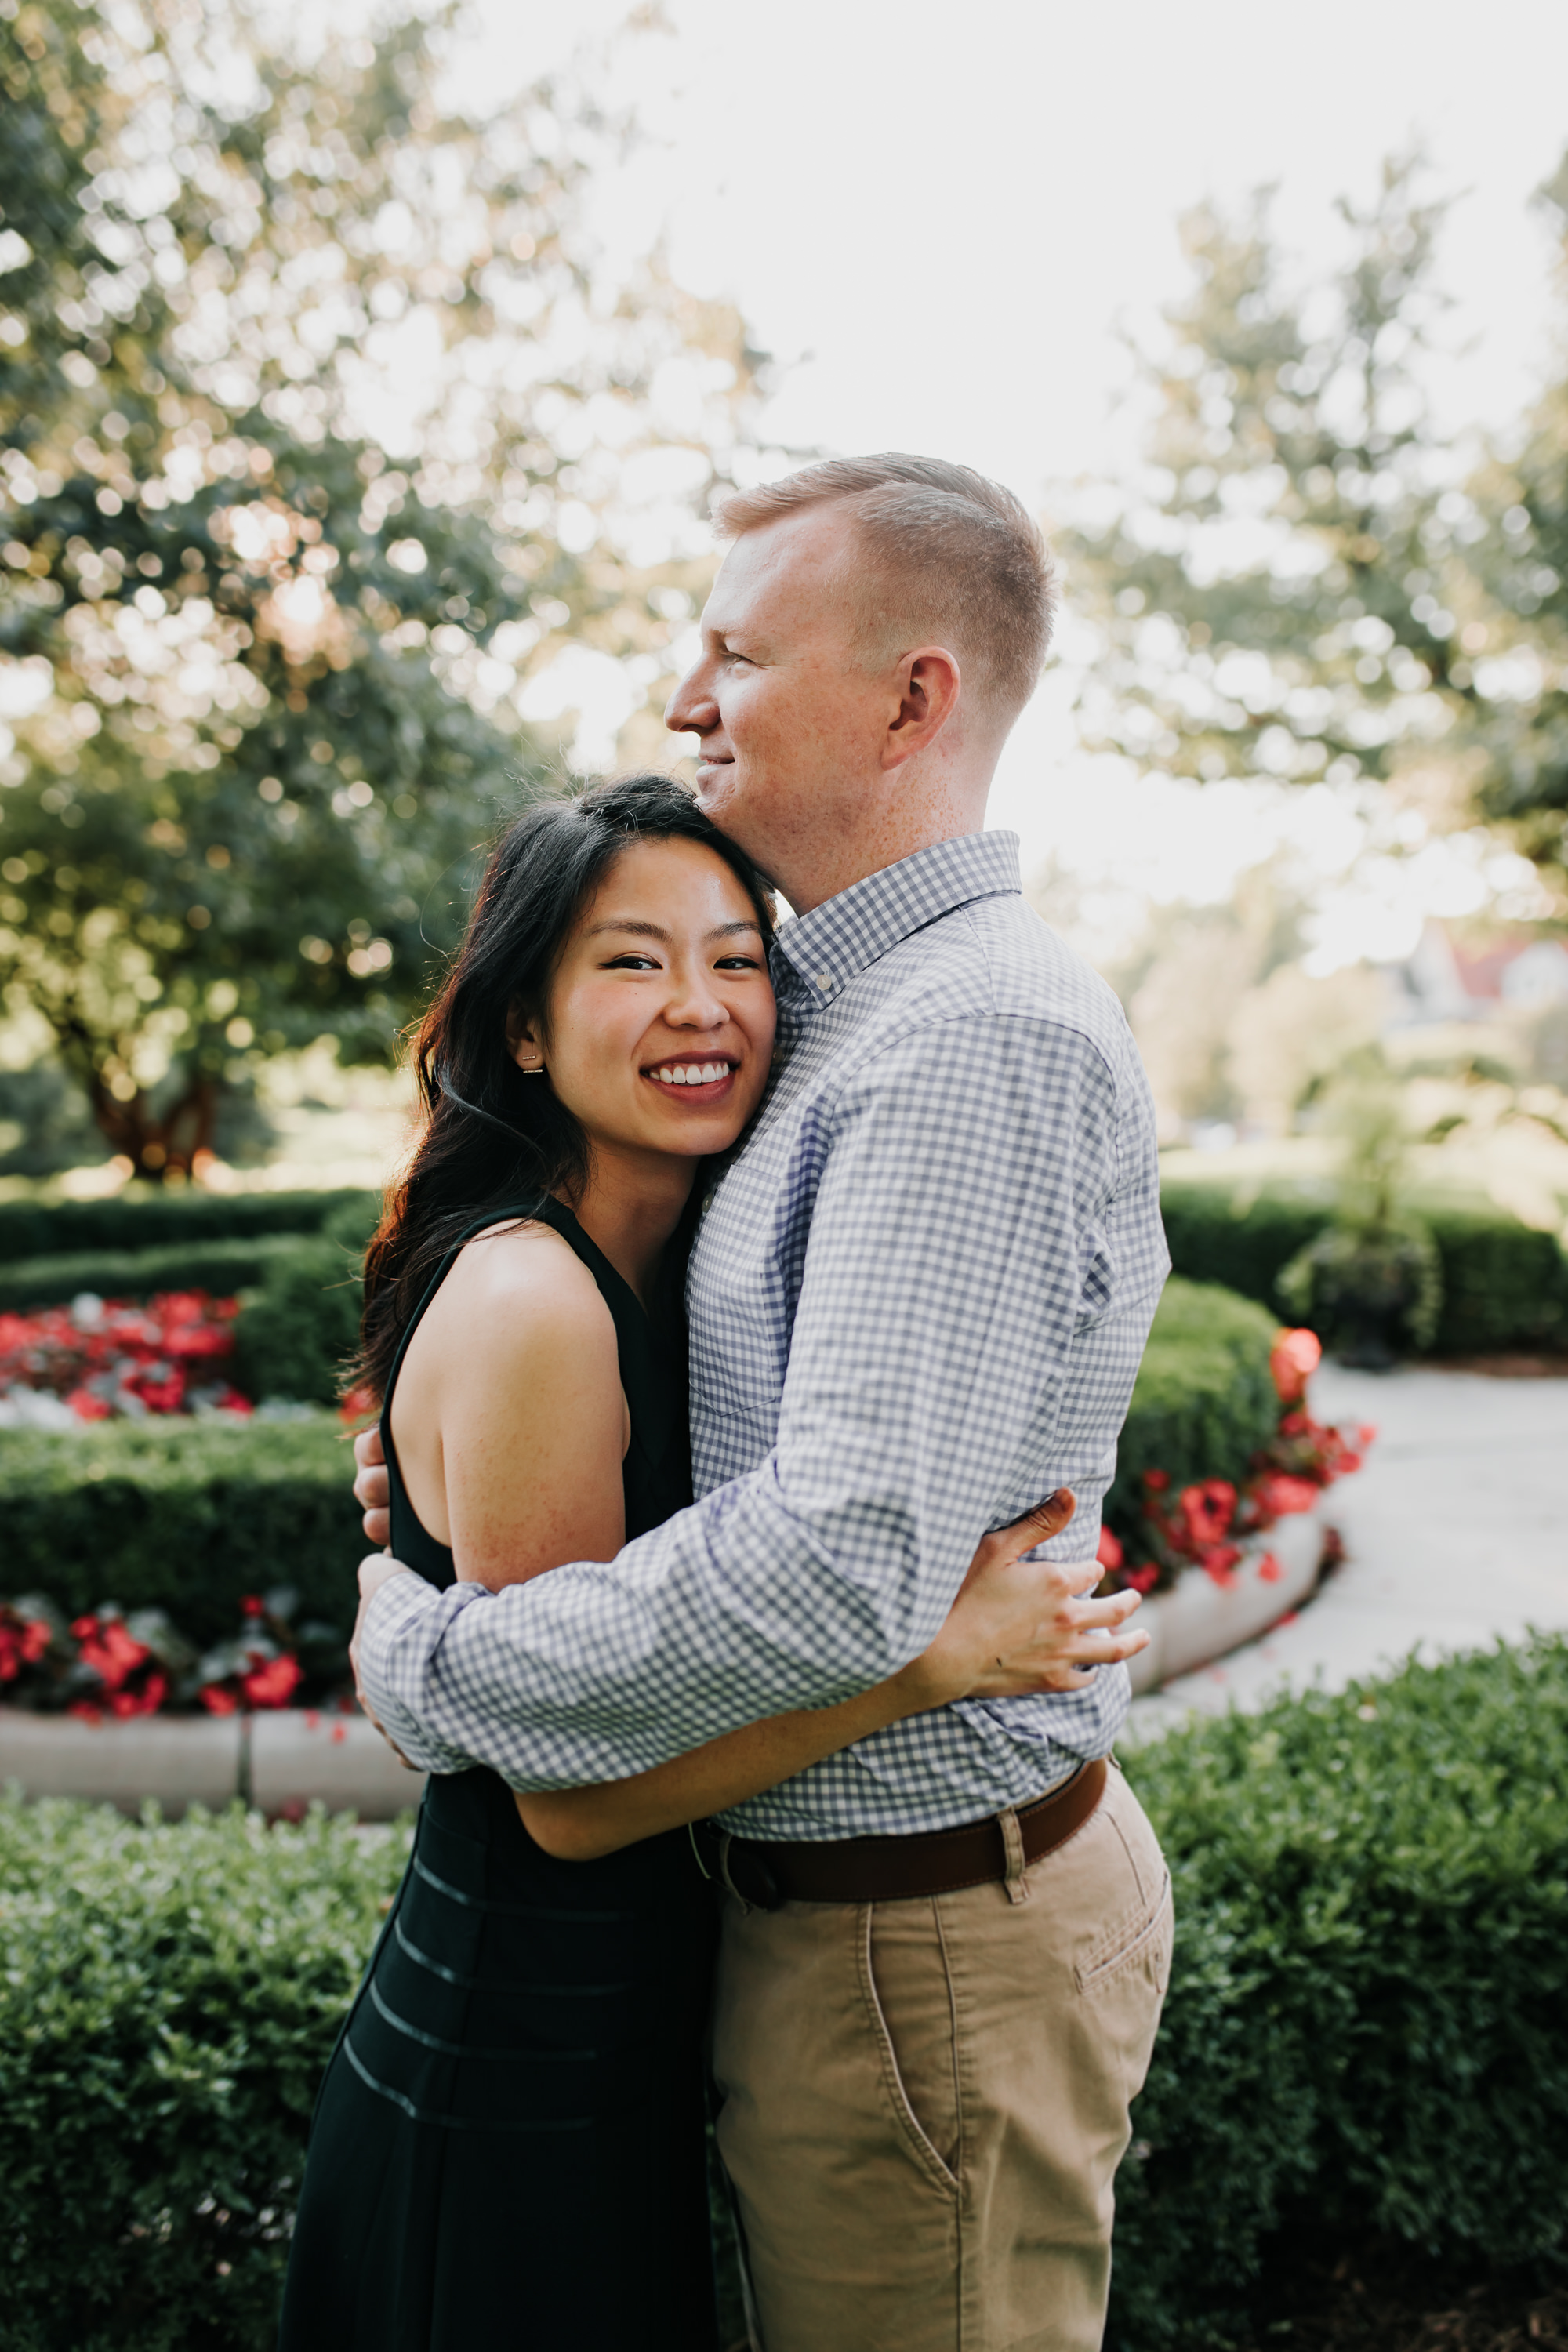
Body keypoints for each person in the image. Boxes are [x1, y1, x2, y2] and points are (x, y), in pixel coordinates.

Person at [353, 456, 1174, 2352]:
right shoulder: (832, 1003)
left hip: (919, 1942)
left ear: (913, 700)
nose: (683, 699)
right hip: (814, 1916)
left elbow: (833, 1570)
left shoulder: (966, 1035)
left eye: (735, 651)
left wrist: (429, 1660)